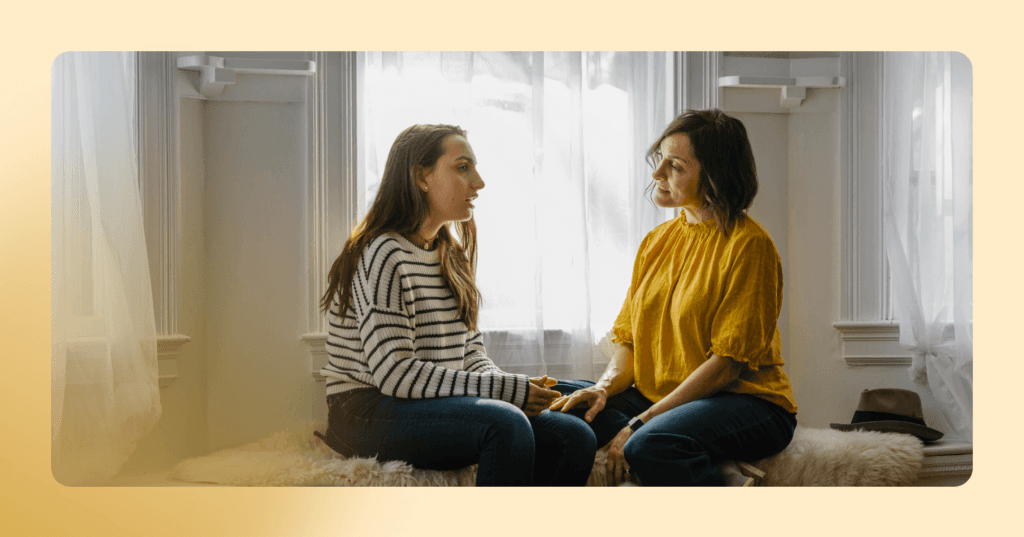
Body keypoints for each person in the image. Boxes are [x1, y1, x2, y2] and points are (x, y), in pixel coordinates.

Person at [315, 124, 597, 486]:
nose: (478, 182)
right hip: (363, 410)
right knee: (505, 424)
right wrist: (507, 393)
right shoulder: (383, 252)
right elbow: (394, 374)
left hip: (425, 402)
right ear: (421, 177)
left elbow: (471, 355)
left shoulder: (452, 255)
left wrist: (512, 387)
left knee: (574, 434)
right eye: (463, 168)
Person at [549, 109, 798, 486]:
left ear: (715, 174)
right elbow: (629, 340)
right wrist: (601, 389)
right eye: (660, 160)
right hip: (661, 397)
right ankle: (715, 466)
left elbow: (727, 366)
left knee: (649, 444)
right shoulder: (657, 242)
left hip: (746, 401)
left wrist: (640, 424)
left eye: (676, 166)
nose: (657, 173)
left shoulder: (750, 246)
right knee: (561, 402)